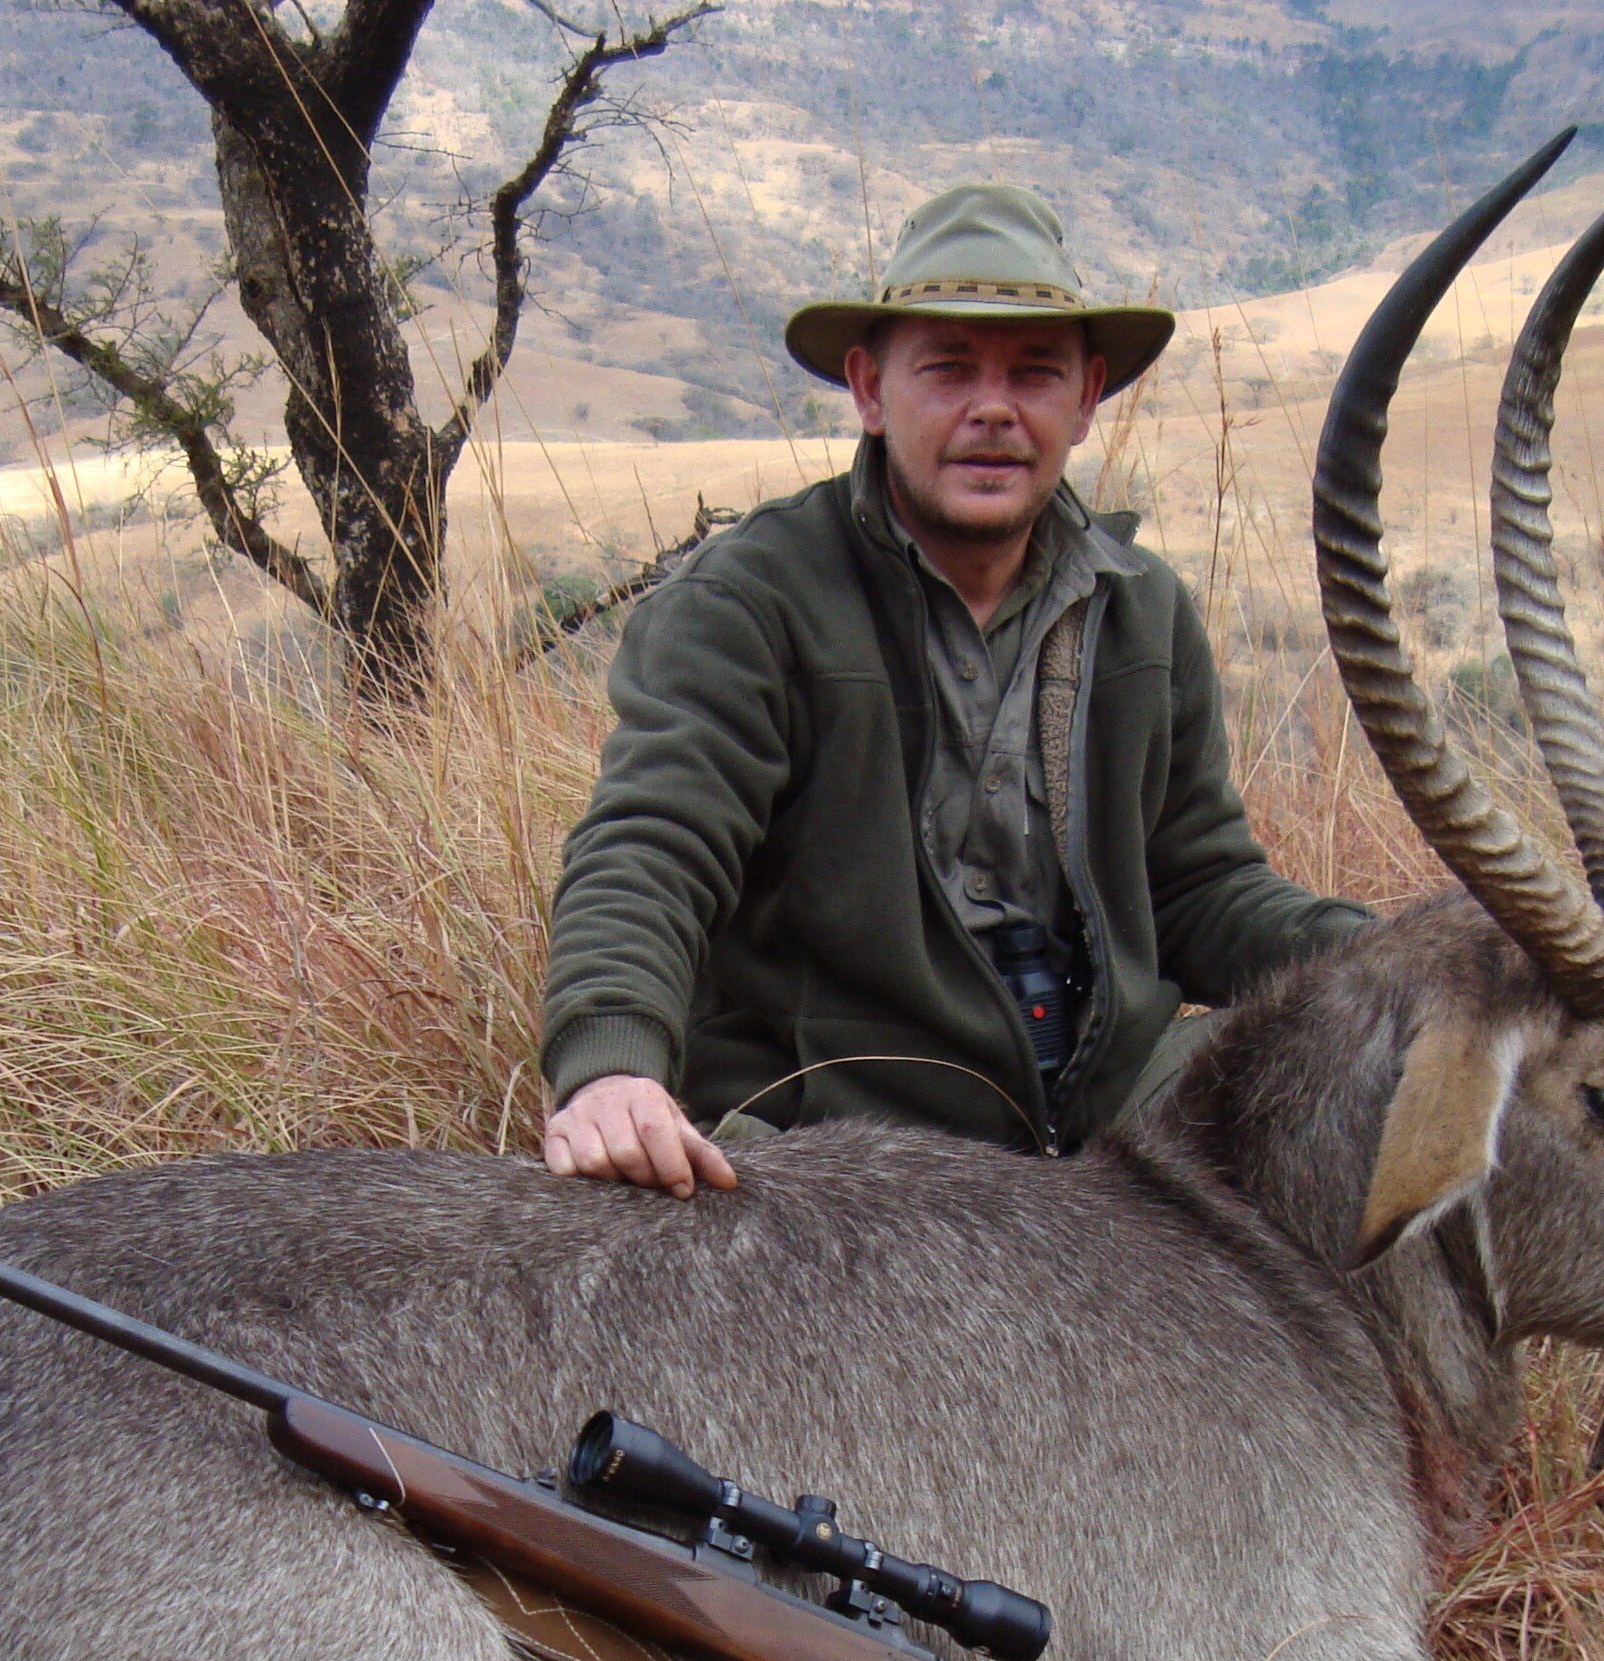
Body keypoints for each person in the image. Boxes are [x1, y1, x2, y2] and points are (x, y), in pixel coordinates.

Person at [539, 183, 1370, 1196]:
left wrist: (1404, 961)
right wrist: (612, 1064)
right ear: (871, 389)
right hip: (846, 1147)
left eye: (1034, 374)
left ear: (1088, 396)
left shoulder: (1143, 610)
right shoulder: (748, 601)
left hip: (1111, 1121)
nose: (992, 410)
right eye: (947, 370)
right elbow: (649, 849)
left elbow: (1197, 889)